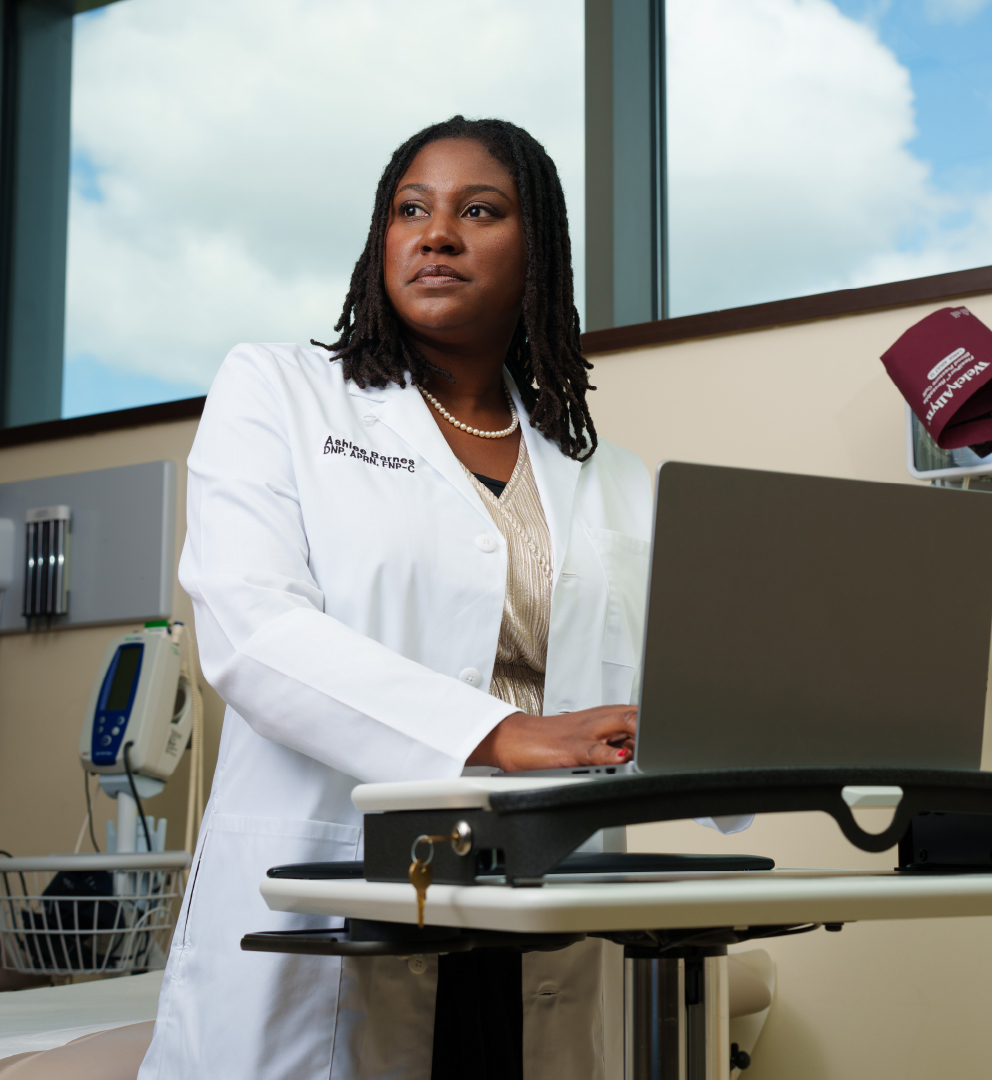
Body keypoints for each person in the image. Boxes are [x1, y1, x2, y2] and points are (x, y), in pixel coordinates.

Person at [138, 116, 652, 1080]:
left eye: (480, 211)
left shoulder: (608, 474)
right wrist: (494, 734)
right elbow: (255, 631)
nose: (436, 233)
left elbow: (669, 683)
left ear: (537, 249)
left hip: (542, 900)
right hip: (348, 889)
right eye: (410, 209)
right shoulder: (282, 392)